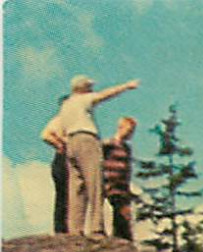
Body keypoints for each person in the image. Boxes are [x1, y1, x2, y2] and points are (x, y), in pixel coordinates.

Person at [40, 74, 139, 237]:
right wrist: (127, 86)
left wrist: (61, 144)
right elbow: (105, 95)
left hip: (71, 142)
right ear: (84, 88)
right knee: (94, 184)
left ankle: (74, 229)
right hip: (86, 139)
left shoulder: (66, 106)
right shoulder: (83, 99)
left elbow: (51, 132)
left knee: (76, 188)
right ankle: (96, 227)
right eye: (89, 87)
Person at [102, 117, 138, 241]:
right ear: (121, 128)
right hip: (110, 182)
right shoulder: (108, 144)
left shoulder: (127, 148)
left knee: (123, 212)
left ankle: (121, 238)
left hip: (122, 185)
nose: (130, 134)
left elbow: (128, 168)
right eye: (128, 130)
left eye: (132, 132)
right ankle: (119, 238)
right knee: (120, 210)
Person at [42, 95, 69, 233]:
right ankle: (61, 229)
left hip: (71, 159)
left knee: (72, 195)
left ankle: (69, 227)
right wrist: (61, 143)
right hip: (63, 158)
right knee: (63, 194)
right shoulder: (60, 121)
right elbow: (45, 135)